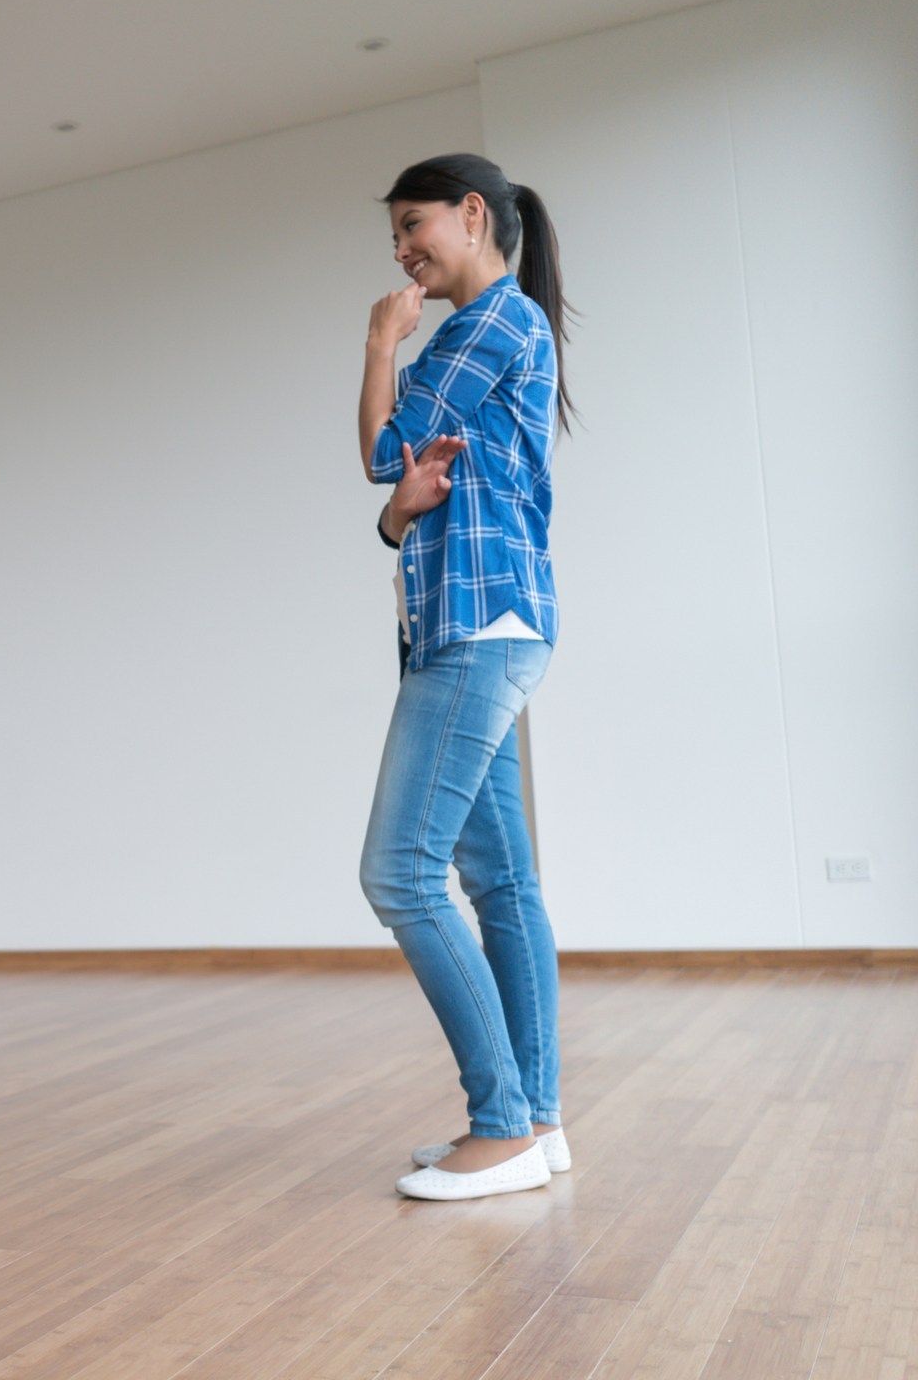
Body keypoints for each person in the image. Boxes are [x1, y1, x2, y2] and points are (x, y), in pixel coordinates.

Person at [355, 153, 574, 1201]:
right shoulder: (490, 333)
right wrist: (398, 511)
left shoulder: (489, 323)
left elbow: (377, 451)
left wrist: (377, 342)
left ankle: (501, 1123)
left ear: (472, 213)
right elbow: (394, 493)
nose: (402, 250)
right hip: (479, 622)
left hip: (477, 630)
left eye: (414, 224)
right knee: (497, 880)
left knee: (398, 871)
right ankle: (533, 1117)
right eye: (394, 234)